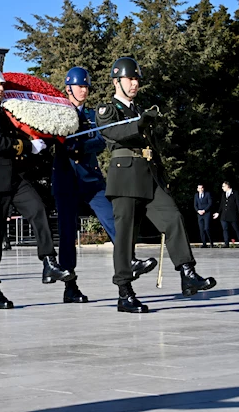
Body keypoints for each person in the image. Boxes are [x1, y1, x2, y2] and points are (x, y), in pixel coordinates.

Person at [96, 57, 216, 313]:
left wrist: (163, 177)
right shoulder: (108, 110)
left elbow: (152, 148)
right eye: (130, 79)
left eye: (137, 79)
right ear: (117, 81)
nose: (135, 83)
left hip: (149, 177)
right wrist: (139, 123)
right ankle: (125, 292)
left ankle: (187, 273)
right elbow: (113, 133)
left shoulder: (139, 111)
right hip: (125, 178)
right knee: (126, 236)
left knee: (173, 218)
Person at [51, 67, 157, 304]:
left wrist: (80, 147)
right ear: (68, 88)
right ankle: (70, 287)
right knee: (68, 235)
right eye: (80, 86)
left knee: (115, 222)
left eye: (87, 86)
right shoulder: (57, 113)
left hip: (91, 180)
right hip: (67, 179)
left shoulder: (91, 114)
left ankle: (128, 261)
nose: (84, 90)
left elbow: (102, 139)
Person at [0, 66, 74, 309]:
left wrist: (39, 143)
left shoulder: (7, 113)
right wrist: (28, 147)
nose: (0, 88)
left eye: (1, 85)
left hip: (15, 178)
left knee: (38, 210)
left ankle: (49, 262)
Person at [213, 181, 239, 247]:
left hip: (232, 214)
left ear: (227, 186)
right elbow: (222, 204)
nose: (222, 188)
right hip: (224, 214)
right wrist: (218, 212)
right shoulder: (223, 194)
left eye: (223, 186)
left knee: (236, 228)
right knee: (225, 229)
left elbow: (238, 204)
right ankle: (226, 243)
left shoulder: (235, 193)